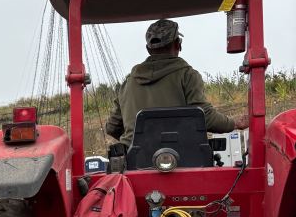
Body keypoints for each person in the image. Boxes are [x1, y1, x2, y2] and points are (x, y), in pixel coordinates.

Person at [105, 18, 247, 143]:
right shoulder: (187, 76)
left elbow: (112, 127)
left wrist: (137, 142)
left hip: (135, 161)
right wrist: (234, 123)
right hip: (181, 159)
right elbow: (205, 116)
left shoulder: (127, 83)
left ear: (148, 49)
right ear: (178, 44)